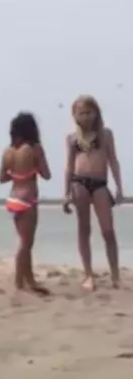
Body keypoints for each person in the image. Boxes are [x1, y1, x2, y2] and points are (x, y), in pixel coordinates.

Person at [63, 95, 124, 290]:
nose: (86, 116)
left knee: (108, 230)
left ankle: (115, 274)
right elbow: (69, 167)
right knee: (83, 229)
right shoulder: (72, 139)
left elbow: (113, 161)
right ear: (75, 116)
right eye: (81, 113)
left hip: (100, 184)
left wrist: (119, 187)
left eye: (89, 112)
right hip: (79, 184)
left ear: (96, 113)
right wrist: (66, 193)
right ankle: (88, 274)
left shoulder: (105, 135)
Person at [0, 112, 51, 294]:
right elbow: (46, 175)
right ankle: (19, 282)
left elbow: (2, 178)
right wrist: (33, 167)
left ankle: (29, 279)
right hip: (28, 197)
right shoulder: (34, 149)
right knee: (26, 243)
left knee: (24, 241)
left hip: (13, 196)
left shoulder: (8, 151)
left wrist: (16, 173)